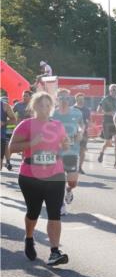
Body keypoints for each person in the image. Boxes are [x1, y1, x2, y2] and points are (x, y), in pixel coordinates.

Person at [8, 92, 70, 266]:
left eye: (48, 106)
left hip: (55, 174)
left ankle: (55, 251)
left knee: (54, 213)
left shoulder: (57, 125)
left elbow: (63, 145)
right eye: (41, 105)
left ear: (52, 107)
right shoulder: (26, 125)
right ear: (34, 107)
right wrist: (32, 143)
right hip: (30, 175)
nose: (44, 109)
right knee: (33, 211)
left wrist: (66, 144)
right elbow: (12, 147)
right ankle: (29, 238)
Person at [51, 90, 84, 214]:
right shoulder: (52, 114)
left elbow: (81, 125)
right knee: (57, 180)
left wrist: (80, 132)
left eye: (66, 97)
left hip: (72, 152)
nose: (64, 100)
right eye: (61, 97)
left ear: (70, 99)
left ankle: (69, 190)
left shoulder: (77, 112)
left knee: (72, 182)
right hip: (55, 152)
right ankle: (61, 205)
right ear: (57, 99)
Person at [97, 84, 116, 168]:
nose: (115, 91)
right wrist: (109, 113)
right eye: (113, 90)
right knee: (108, 143)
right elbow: (98, 111)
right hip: (107, 123)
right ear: (110, 91)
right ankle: (101, 152)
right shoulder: (105, 99)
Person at [73, 93, 91, 174]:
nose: (81, 101)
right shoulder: (72, 109)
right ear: (76, 99)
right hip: (73, 133)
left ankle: (80, 167)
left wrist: (88, 125)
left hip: (84, 132)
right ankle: (72, 166)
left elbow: (88, 120)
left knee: (82, 150)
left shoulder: (86, 110)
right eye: (79, 99)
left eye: (82, 99)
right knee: (73, 151)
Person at [1, 98, 12, 171]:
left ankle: (8, 161)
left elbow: (13, 119)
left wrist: (4, 123)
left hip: (7, 131)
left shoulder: (6, 107)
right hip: (6, 131)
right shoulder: (17, 106)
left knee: (6, 144)